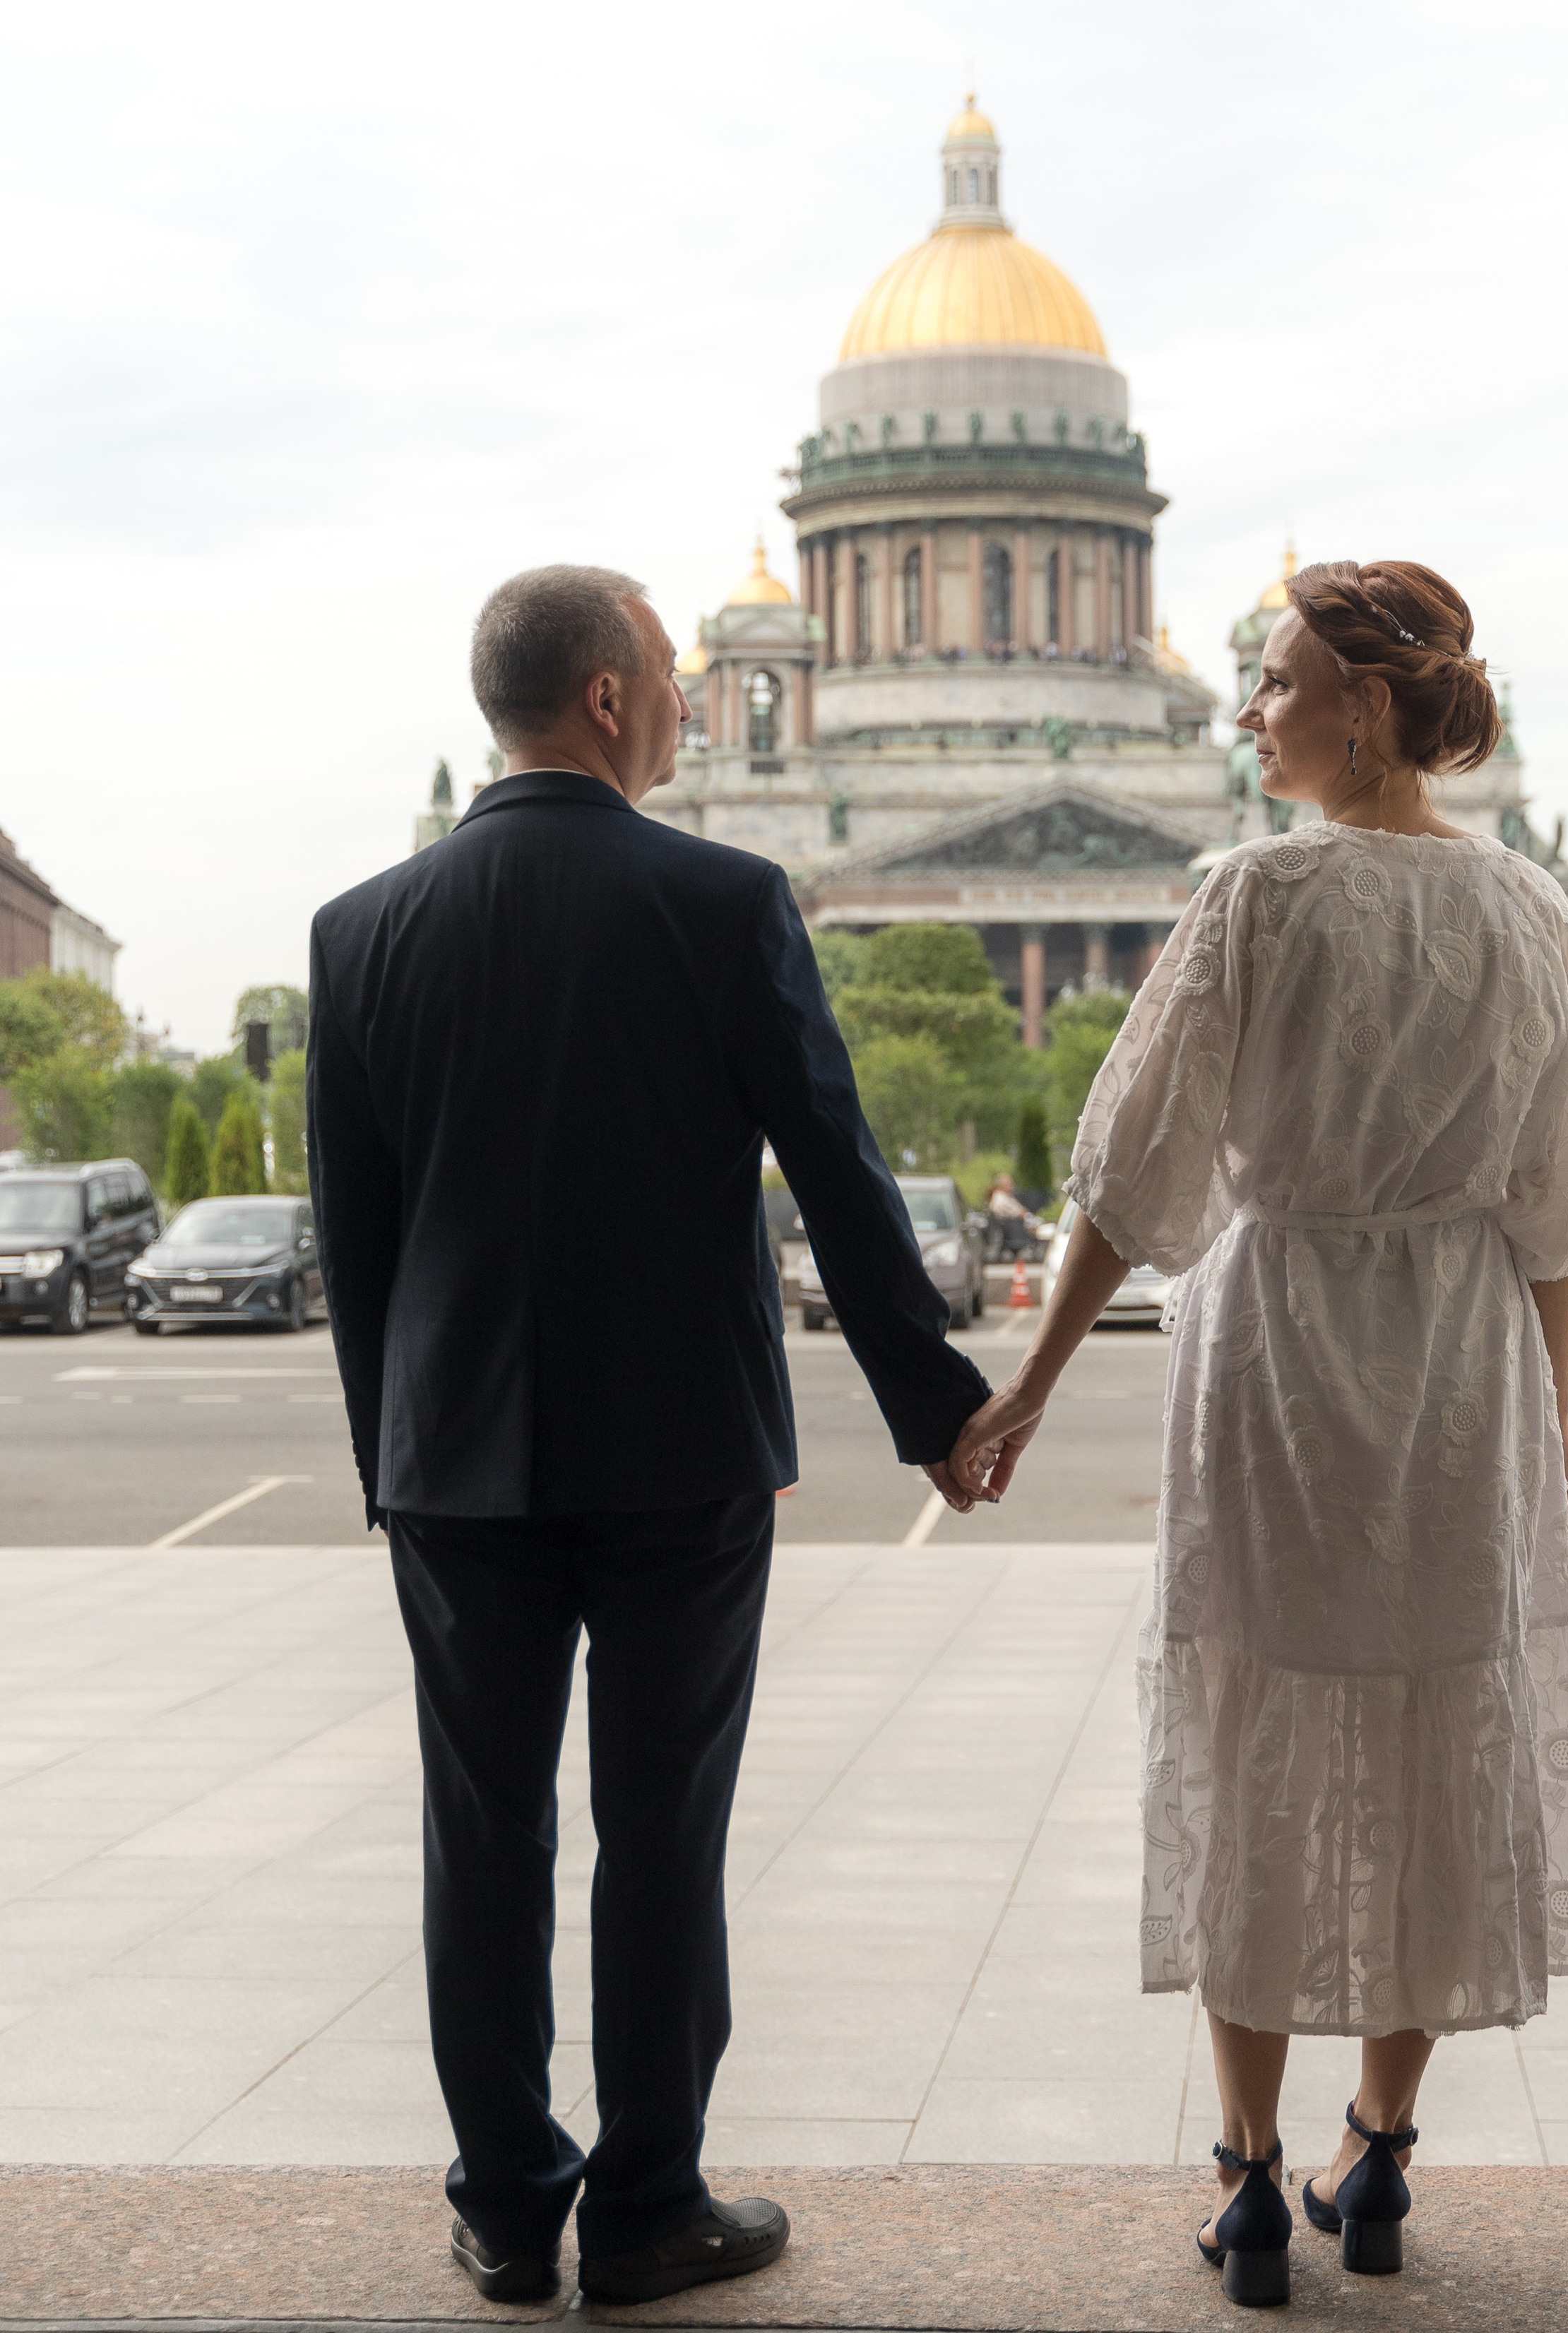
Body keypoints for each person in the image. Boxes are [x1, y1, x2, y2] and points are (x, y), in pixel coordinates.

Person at [307, 564, 989, 2309]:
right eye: (672, 674)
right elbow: (835, 1176)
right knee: (661, 1829)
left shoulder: (361, 927)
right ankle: (646, 2207)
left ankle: (506, 2201)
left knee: (484, 1832)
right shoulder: (721, 898)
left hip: (452, 1456)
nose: (688, 701)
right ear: (609, 696)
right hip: (680, 1449)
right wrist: (938, 1409)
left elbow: (360, 1238)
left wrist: (397, 1453)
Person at [951, 559, 1568, 2308]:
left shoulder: (1249, 894)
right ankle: (1375, 2152)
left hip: (1274, 1355)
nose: (1247, 710)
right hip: (1458, 1367)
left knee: (1255, 1725)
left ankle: (1245, 2179)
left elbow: (1130, 1180)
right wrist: (1548, 1432)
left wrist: (1027, 1381)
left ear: (1366, 709)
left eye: (1272, 683)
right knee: (1429, 1727)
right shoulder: (1533, 913)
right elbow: (1557, 1219)